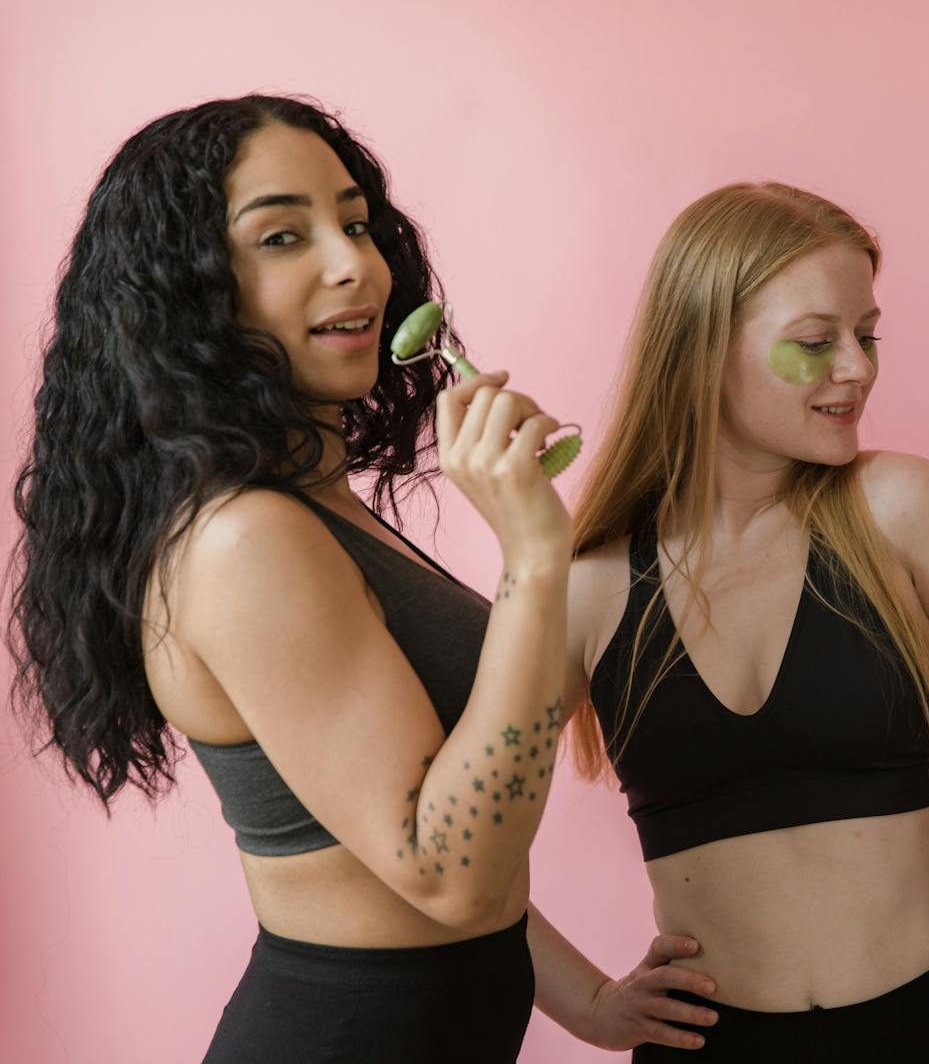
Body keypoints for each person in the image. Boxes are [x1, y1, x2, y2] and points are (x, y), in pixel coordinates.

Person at [7, 94, 575, 1062]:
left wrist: (590, 995)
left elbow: (436, 815)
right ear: (190, 293)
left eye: (355, 221)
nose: (353, 261)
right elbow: (448, 871)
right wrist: (532, 557)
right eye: (281, 235)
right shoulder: (245, 539)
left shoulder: (312, 505)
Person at [527, 182, 929, 1060]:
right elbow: (452, 855)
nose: (857, 367)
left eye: (867, 335)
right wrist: (586, 1003)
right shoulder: (590, 590)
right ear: (703, 354)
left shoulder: (906, 512)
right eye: (816, 343)